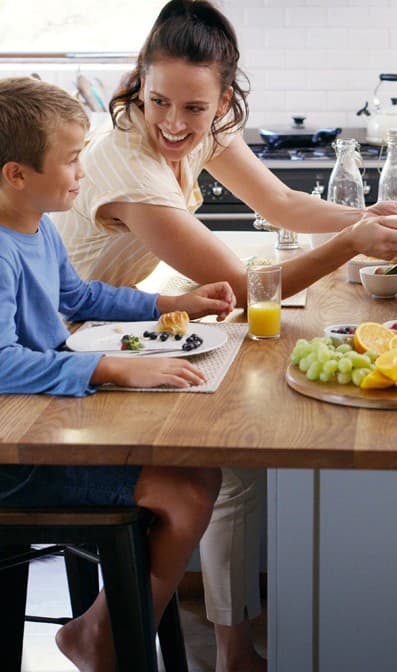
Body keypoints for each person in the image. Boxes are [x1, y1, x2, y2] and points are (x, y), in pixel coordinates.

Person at [52, 0, 397, 672]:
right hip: (68, 350)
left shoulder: (204, 129)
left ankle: (221, 645)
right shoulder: (124, 167)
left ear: (222, 100)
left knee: (235, 464)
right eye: (159, 102)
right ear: (140, 85)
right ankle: (170, 640)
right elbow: (242, 288)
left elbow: (282, 203)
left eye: (195, 109)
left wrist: (363, 215)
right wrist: (351, 240)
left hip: (119, 328)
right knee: (230, 466)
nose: (175, 123)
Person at [0, 75, 231, 671]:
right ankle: (102, 639)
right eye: (73, 160)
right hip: (15, 463)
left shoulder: (36, 227)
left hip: (43, 427)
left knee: (200, 466)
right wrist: (111, 367)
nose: (83, 173)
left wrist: (170, 306)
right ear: (16, 174)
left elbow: (78, 297)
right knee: (185, 492)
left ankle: (108, 627)